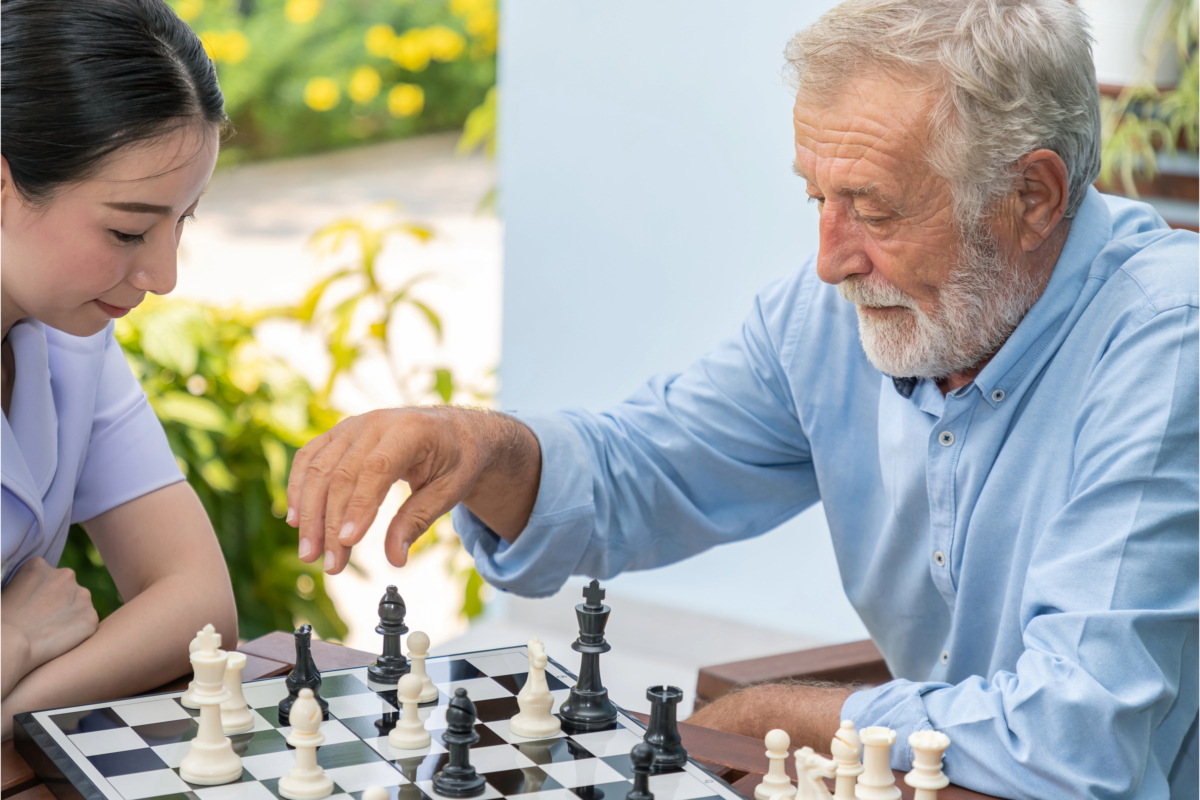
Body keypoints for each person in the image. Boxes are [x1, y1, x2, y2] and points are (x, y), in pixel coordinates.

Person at [286, 0, 1198, 796]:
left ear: (1032, 196)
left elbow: (1086, 744)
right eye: (818, 198)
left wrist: (778, 716)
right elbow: (643, 471)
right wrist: (481, 447)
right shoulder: (836, 315)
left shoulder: (1169, 345)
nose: (830, 258)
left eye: (874, 210)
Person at [0, 0, 236, 737]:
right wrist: (14, 639)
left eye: (182, 220)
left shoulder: (74, 334)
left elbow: (199, 605)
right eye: (128, 229)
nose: (163, 275)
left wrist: (9, 709)